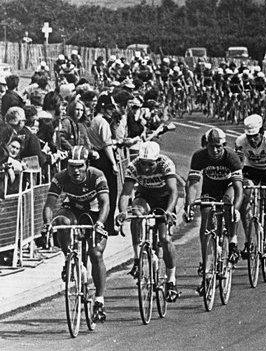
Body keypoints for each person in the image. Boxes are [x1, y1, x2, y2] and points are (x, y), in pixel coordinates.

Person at [42, 146, 110, 322]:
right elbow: (50, 204)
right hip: (73, 209)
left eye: (79, 166)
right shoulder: (61, 177)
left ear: (87, 165)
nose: (75, 170)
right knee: (61, 222)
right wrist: (47, 224)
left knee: (95, 254)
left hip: (95, 213)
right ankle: (69, 259)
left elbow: (105, 203)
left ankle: (99, 301)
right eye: (72, 166)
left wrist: (100, 224)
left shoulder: (97, 175)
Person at [116, 142, 180, 302]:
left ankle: (171, 280)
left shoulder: (166, 163)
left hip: (165, 199)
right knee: (136, 214)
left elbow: (173, 191)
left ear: (157, 160)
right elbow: (125, 193)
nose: (145, 168)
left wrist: (169, 211)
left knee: (165, 239)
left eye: (149, 164)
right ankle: (137, 259)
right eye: (142, 164)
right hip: (145, 196)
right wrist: (123, 212)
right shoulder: (134, 165)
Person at [185, 128, 243, 295]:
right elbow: (194, 183)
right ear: (206, 145)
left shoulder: (231, 157)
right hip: (210, 190)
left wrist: (236, 210)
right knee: (206, 223)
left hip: (229, 187)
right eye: (212, 146)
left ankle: (232, 240)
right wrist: (189, 205)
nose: (215, 150)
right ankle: (206, 268)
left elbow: (238, 188)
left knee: (228, 205)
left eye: (219, 146)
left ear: (224, 145)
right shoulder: (199, 156)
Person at [235, 114, 266, 258]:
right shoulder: (240, 141)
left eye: (255, 136)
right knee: (244, 198)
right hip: (252, 169)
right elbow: (238, 168)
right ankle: (249, 243)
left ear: (261, 132)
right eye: (249, 137)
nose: (252, 140)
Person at [86, 94, 120, 235]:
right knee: (110, 192)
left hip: (95, 159)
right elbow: (107, 146)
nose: (112, 111)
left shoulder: (93, 121)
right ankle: (108, 225)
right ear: (103, 108)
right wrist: (113, 163)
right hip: (104, 159)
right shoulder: (103, 123)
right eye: (110, 108)